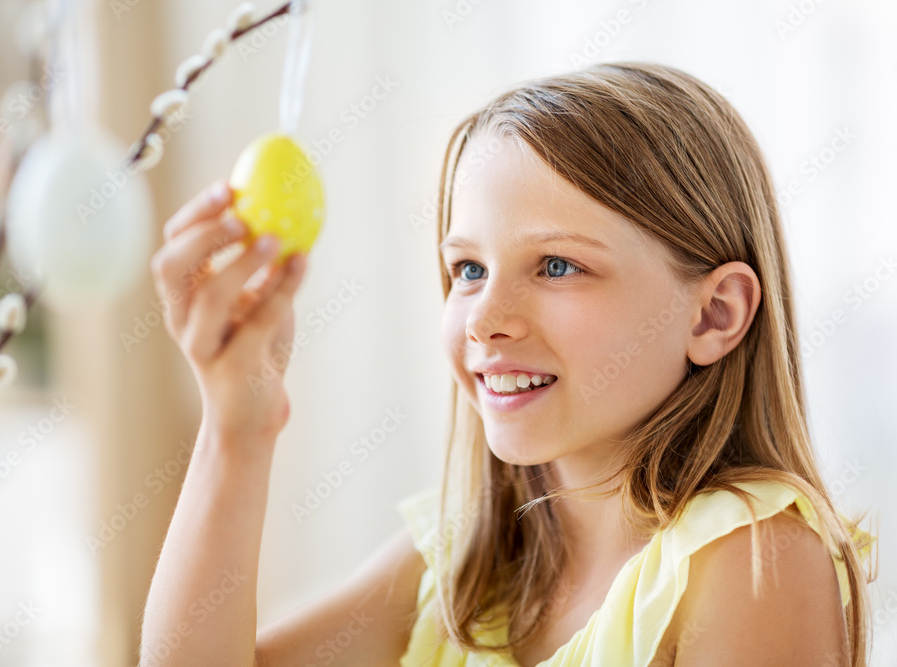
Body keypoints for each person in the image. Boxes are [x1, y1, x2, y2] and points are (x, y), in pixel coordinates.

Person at [140, 61, 876, 667]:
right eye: (468, 269)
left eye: (557, 265)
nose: (485, 319)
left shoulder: (753, 555)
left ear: (714, 314)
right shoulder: (463, 563)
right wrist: (236, 428)